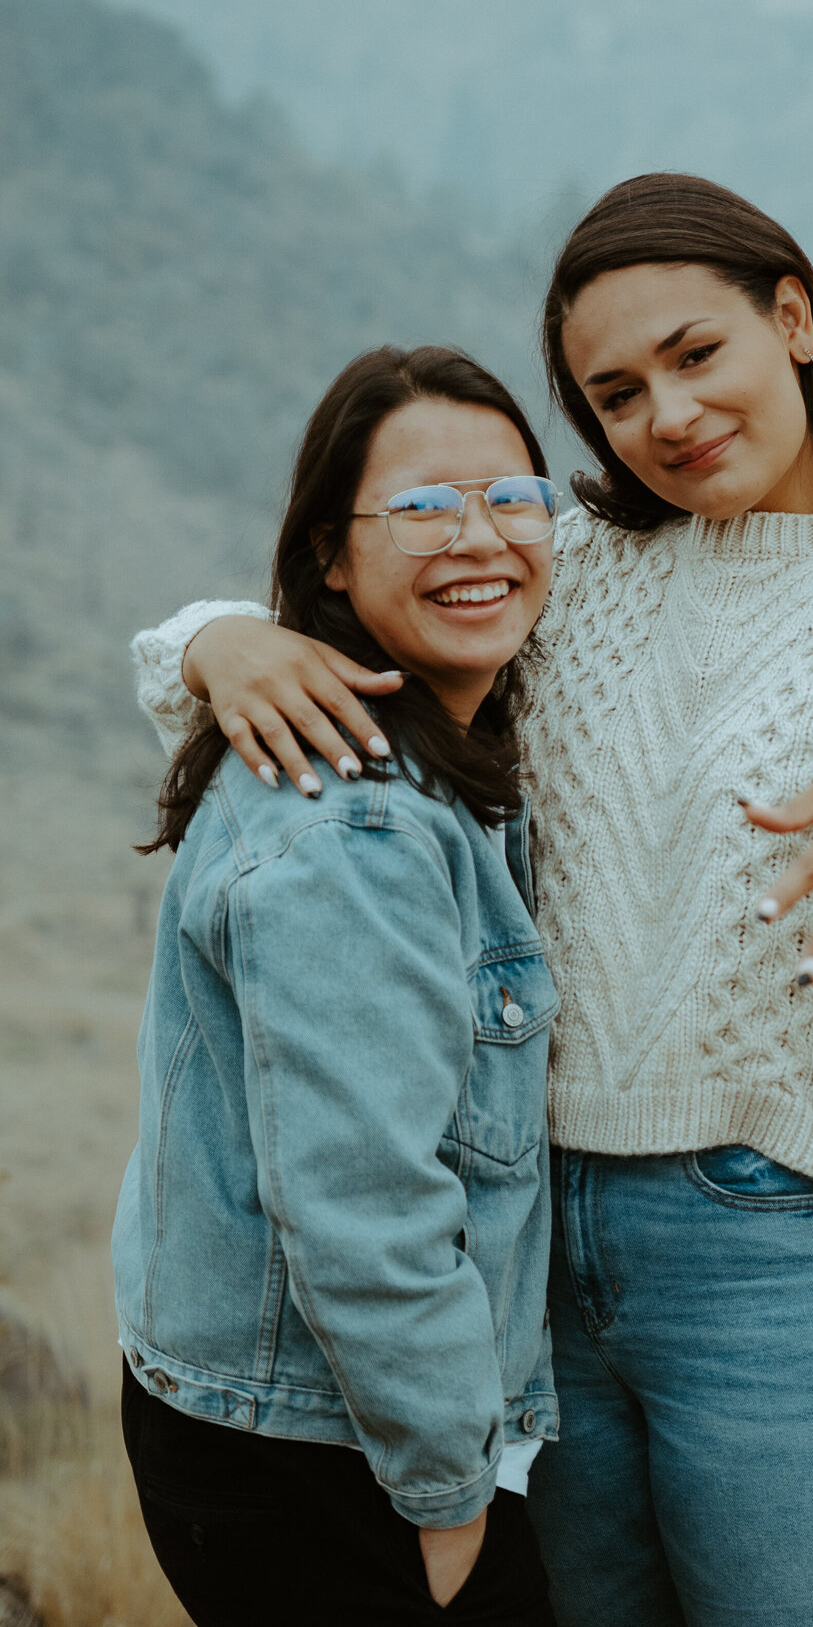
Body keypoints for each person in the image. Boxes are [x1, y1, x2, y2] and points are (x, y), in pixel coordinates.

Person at [132, 174, 813, 1627]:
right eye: (615, 394)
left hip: (781, 1248)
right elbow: (385, 565)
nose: (667, 417)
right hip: (529, 1254)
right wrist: (222, 639)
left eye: (698, 356)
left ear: (796, 321)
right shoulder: (577, 559)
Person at [114, 345, 563, 1626]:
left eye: (513, 497)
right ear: (331, 555)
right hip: (328, 1453)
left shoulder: (429, 745)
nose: (479, 536)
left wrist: (212, 637)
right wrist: (450, 1499)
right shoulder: (356, 828)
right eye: (422, 507)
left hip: (286, 1420)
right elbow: (365, 1204)